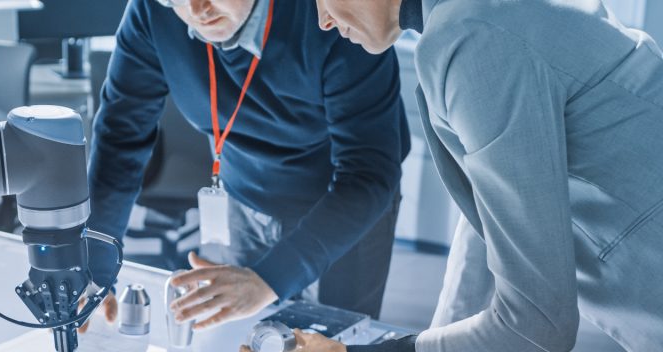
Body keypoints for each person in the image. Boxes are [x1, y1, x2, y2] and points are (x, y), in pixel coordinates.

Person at [271, 0, 663, 351]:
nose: (321, 20)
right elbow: (490, 220)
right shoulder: (475, 17)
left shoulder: (470, 34)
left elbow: (536, 326)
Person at [83, 0, 411, 332]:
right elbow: (120, 139)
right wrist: (96, 258)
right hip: (240, 197)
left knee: (333, 339)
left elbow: (368, 173)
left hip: (340, 208)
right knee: (238, 334)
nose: (197, 9)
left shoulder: (333, 16)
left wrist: (270, 279)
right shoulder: (152, 11)